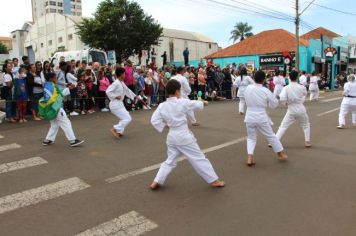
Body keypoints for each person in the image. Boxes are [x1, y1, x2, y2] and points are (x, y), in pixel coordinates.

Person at [150, 79, 225, 190]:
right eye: (179, 90)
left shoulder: (162, 105)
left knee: (170, 160)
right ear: (177, 91)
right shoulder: (182, 102)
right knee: (198, 158)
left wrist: (164, 125)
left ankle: (156, 180)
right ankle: (214, 180)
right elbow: (194, 104)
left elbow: (154, 120)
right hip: (183, 136)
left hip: (171, 136)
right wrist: (204, 102)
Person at [244, 70, 288, 166]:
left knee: (251, 137)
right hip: (261, 116)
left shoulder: (248, 88)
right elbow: (274, 105)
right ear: (264, 80)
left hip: (249, 115)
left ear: (254, 78)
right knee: (271, 136)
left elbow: (245, 98)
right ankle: (280, 154)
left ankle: (250, 157)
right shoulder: (265, 90)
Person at [40, 72, 84, 147]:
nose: (56, 79)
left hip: (51, 108)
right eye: (55, 77)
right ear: (51, 78)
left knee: (54, 124)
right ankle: (72, 140)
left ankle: (48, 140)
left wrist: (67, 88)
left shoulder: (48, 85)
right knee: (66, 122)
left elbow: (57, 94)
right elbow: (57, 96)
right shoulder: (51, 86)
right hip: (56, 107)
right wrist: (68, 89)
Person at [275, 70, 311, 148]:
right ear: (297, 77)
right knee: (306, 125)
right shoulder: (302, 87)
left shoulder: (286, 88)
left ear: (289, 78)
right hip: (301, 108)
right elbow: (305, 93)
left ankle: (275, 141)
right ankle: (307, 141)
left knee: (283, 126)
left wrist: (286, 103)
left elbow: (282, 98)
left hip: (291, 109)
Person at [106, 67, 137, 139]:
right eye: (124, 73)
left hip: (119, 104)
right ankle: (115, 128)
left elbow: (127, 90)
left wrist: (135, 96)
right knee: (127, 118)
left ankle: (119, 131)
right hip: (115, 105)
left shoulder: (121, 82)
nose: (125, 75)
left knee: (124, 117)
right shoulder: (116, 83)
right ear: (121, 74)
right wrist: (116, 96)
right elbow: (108, 91)